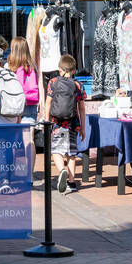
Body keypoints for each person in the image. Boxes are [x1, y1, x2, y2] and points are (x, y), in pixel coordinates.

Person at [0, 46, 28, 195]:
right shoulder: (11, 73)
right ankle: (8, 178)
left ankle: (4, 180)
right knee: (8, 147)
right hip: (12, 118)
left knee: (0, 148)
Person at [42, 54, 83, 194]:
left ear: (60, 69)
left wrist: (47, 121)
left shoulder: (53, 82)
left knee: (56, 151)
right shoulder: (78, 85)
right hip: (72, 124)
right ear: (73, 70)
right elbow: (81, 108)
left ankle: (61, 171)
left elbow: (48, 103)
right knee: (71, 154)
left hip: (57, 123)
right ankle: (72, 183)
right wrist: (82, 126)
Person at [9, 36, 40, 184]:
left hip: (15, 108)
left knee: (13, 141)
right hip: (30, 105)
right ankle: (30, 175)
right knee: (29, 140)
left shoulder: (12, 68)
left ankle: (14, 171)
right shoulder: (31, 67)